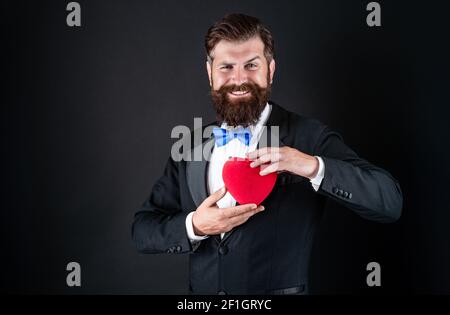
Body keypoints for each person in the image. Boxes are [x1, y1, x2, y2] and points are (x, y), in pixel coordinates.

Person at [131, 13, 402, 295]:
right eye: (226, 67)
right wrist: (194, 225)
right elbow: (142, 229)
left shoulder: (307, 136)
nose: (238, 79)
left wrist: (311, 166)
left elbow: (389, 201)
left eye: (251, 65)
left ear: (270, 70)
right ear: (210, 72)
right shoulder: (191, 144)